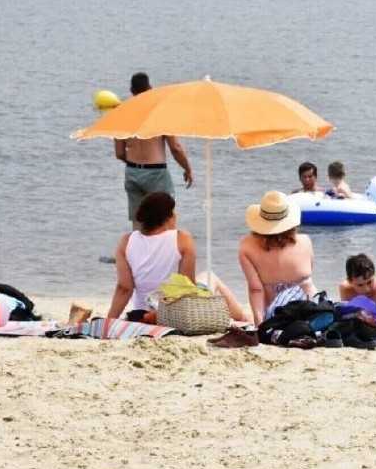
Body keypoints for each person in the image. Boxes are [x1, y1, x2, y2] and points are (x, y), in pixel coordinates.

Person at [107, 192, 250, 322]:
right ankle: (244, 319)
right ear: (169, 217)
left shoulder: (126, 241)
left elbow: (124, 288)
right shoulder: (181, 238)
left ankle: (244, 318)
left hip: (142, 310)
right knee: (210, 276)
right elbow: (186, 286)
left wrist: (109, 321)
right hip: (175, 312)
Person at [113, 72, 194, 229]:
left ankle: (137, 253)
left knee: (139, 221)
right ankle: (167, 251)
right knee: (166, 218)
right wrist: (187, 169)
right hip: (156, 173)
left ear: (131, 90)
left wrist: (134, 162)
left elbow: (120, 153)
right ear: (150, 89)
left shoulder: (122, 113)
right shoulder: (160, 113)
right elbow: (175, 148)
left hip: (132, 171)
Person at [238, 190, 318, 323]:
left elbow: (256, 289)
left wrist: (259, 323)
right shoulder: (305, 241)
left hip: (278, 315)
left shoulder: (247, 245)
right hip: (312, 311)